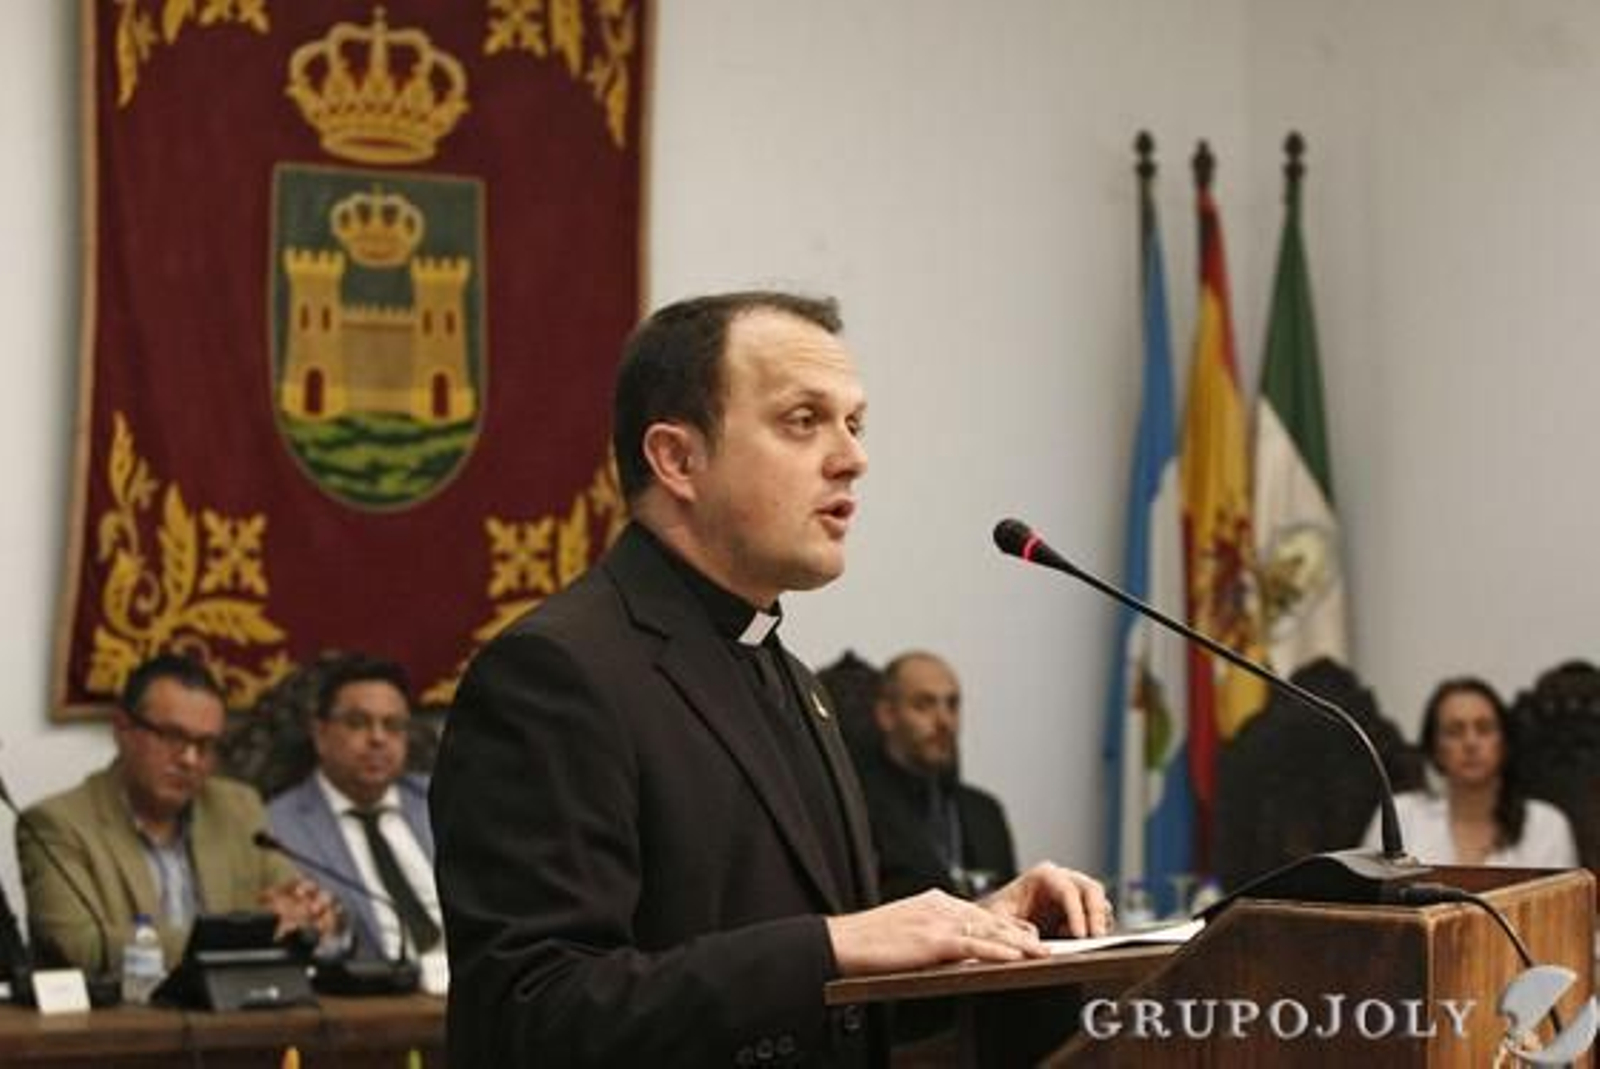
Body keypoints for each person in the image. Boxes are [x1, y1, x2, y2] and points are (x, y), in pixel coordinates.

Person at [431, 291, 1112, 1068]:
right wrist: (835, 945)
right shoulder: (557, 672)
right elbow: (531, 1015)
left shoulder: (793, 678)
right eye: (804, 420)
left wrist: (973, 933)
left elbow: (834, 977)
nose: (853, 456)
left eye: (855, 423)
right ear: (678, 458)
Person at [18, 654, 342, 974]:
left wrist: (311, 914)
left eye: (205, 745)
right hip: (124, 1021)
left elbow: (290, 903)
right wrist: (239, 938)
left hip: (236, 1016)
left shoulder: (237, 808)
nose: (190, 759)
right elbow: (80, 946)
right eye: (172, 737)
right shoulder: (56, 824)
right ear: (122, 729)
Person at [267, 654, 439, 962]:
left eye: (393, 725)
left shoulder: (440, 799)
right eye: (358, 723)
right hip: (376, 998)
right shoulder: (278, 827)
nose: (378, 738)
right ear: (320, 734)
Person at [1362, 676, 1578, 866]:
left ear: (1504, 742)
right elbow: (1369, 906)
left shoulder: (1547, 826)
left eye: (1484, 728)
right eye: (1454, 731)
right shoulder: (1399, 816)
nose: (1470, 742)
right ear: (1435, 748)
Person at [857, 651, 1017, 901]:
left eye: (952, 705)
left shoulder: (986, 811)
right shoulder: (858, 810)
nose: (945, 721)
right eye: (924, 705)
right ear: (887, 714)